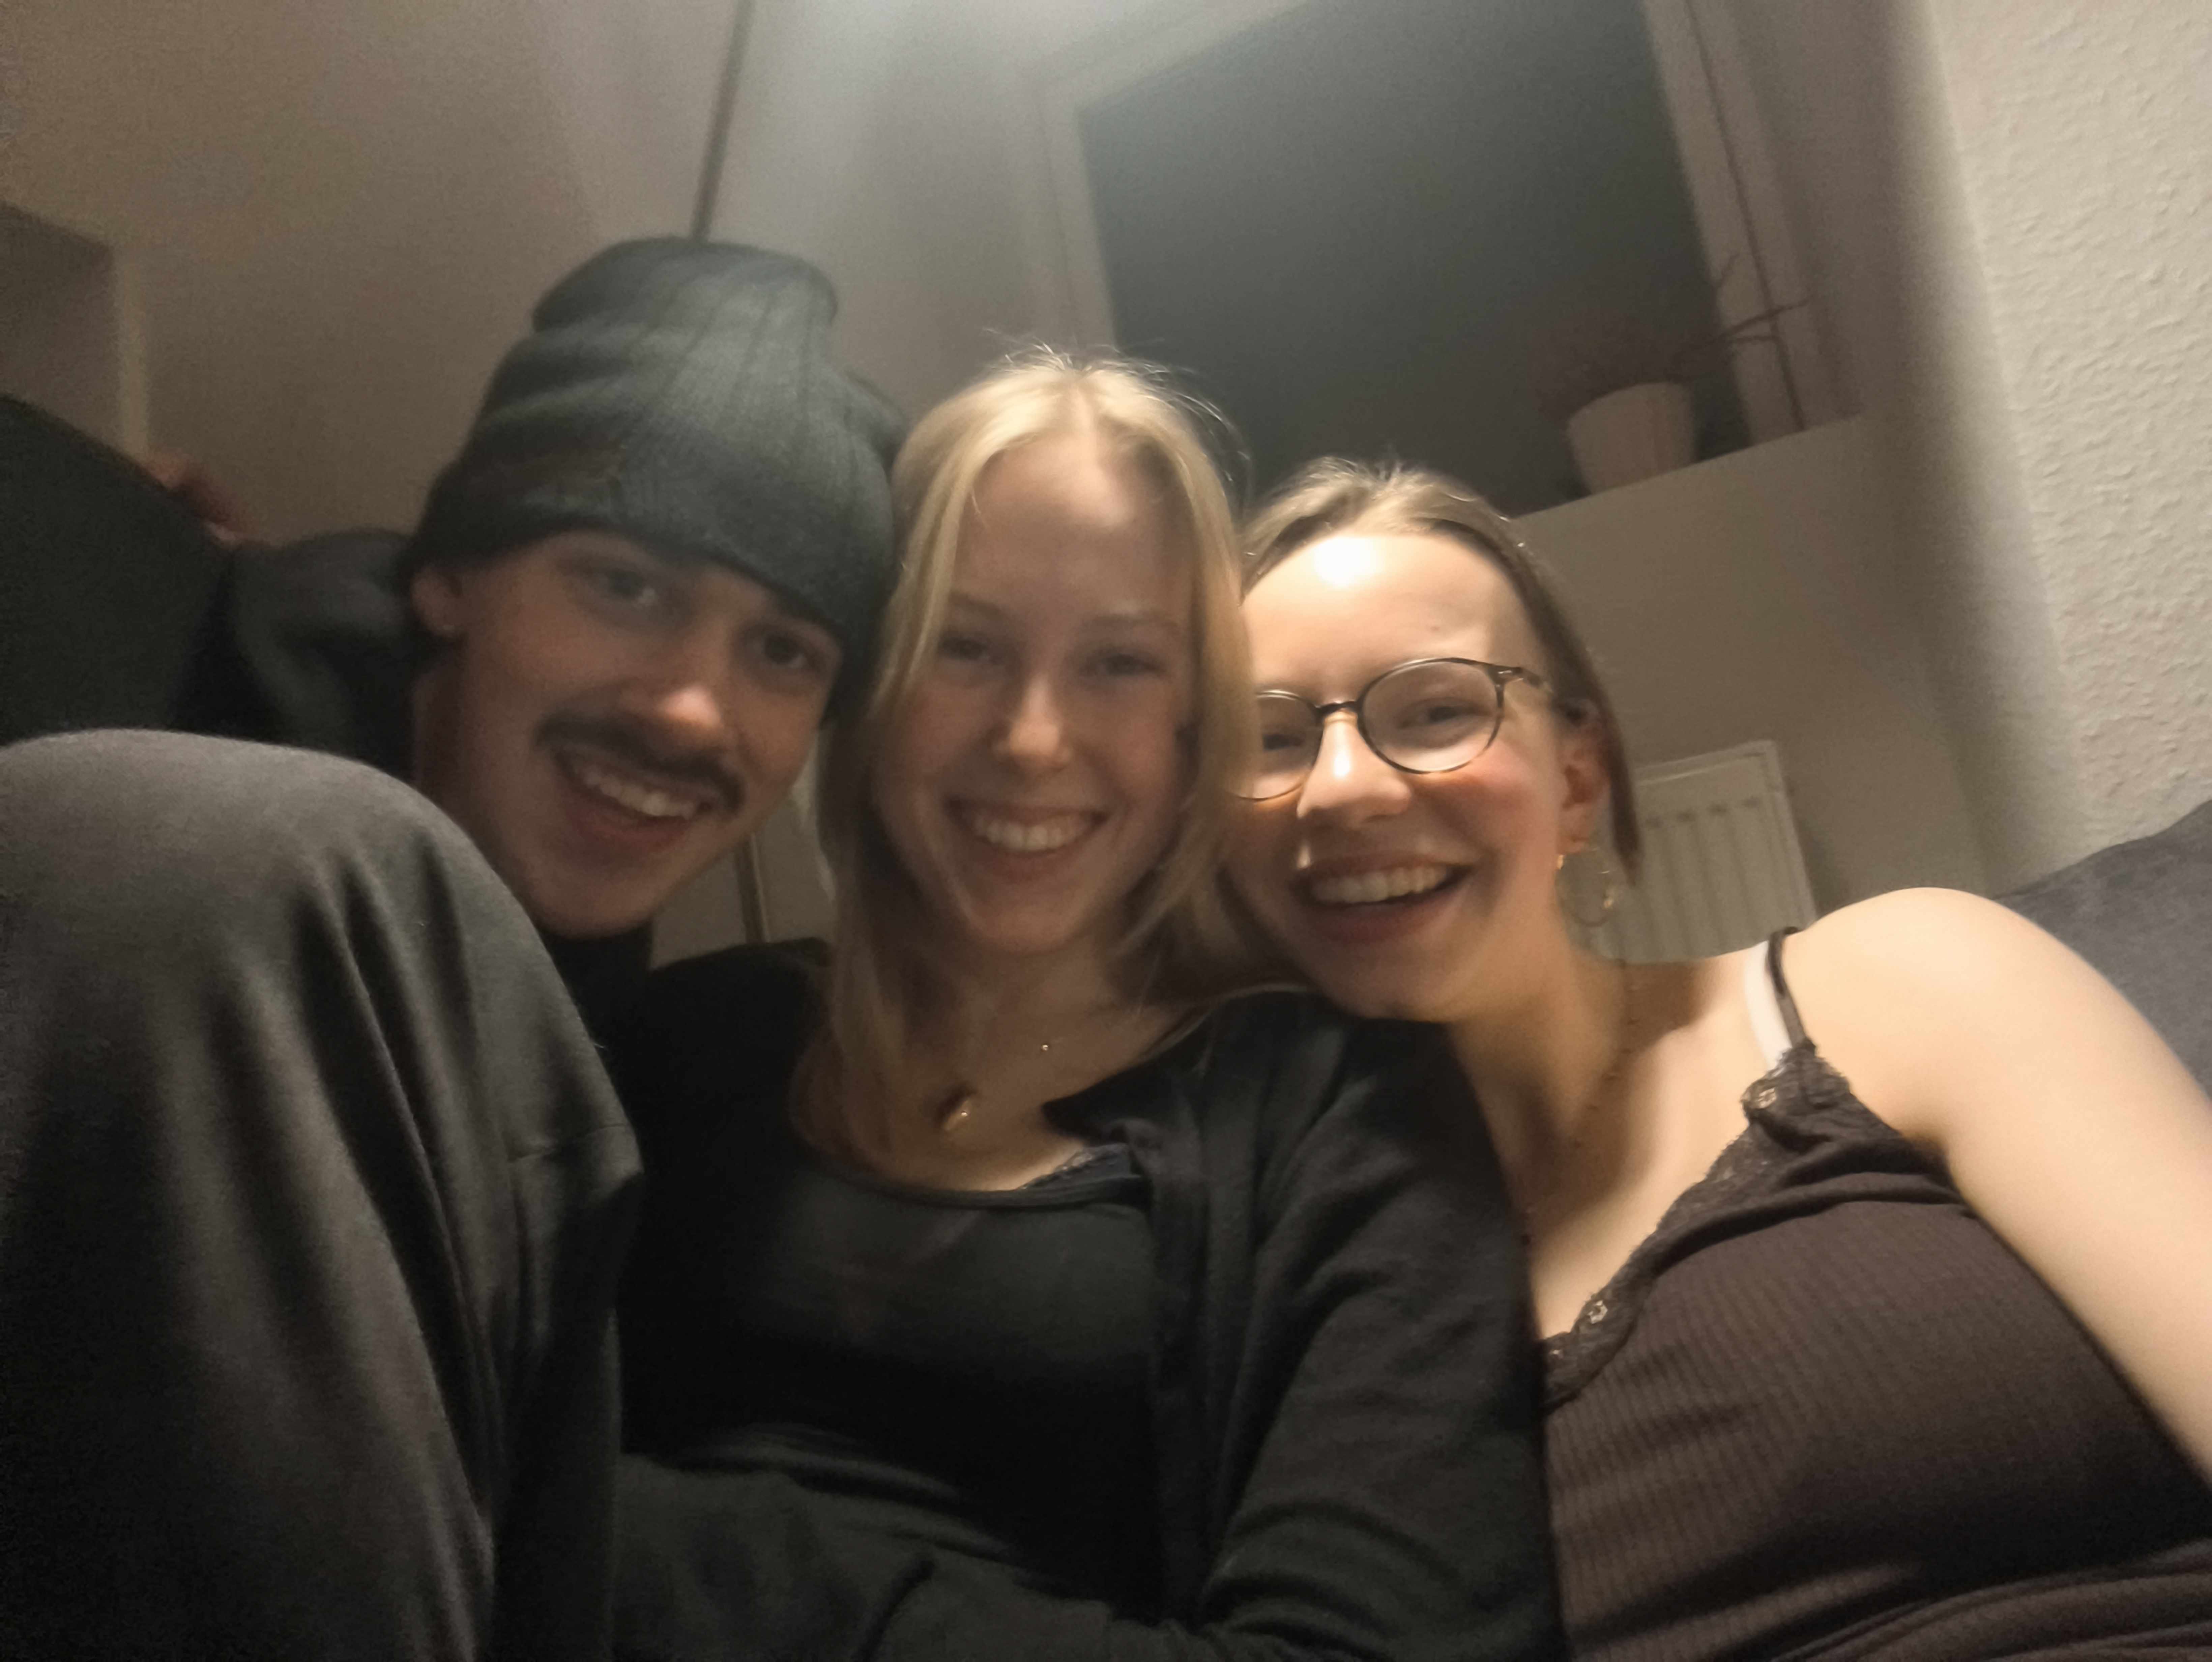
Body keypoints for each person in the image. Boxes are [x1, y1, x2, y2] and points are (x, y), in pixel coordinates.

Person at [0, 239, 902, 1658]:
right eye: (625, 584)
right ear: (450, 579)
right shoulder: (80, 635)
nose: (691, 709)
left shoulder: (599, 1006)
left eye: (783, 651)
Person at [608, 356, 1563, 1658]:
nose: (1034, 739)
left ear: (1192, 725)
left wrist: (633, 1546)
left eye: (1119, 662)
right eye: (965, 646)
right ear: (867, 684)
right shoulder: (682, 1042)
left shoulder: (1336, 1109)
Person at [1223, 458, 2212, 1658]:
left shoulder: (1902, 981)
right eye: (1269, 738)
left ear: (1577, 779)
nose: (1342, 788)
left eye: (1436, 710)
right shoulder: (1271, 1306)